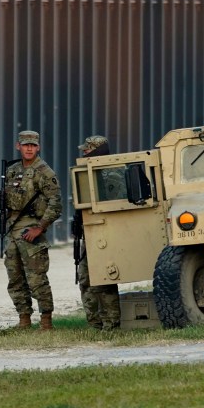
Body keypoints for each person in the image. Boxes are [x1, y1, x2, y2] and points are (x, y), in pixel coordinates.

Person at [0, 130, 62, 330]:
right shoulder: (13, 170)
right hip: (12, 230)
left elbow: (56, 204)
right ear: (19, 146)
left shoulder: (44, 172)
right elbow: (10, 196)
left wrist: (40, 228)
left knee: (37, 279)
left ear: (38, 147)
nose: (29, 148)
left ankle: (46, 322)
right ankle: (24, 320)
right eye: (25, 145)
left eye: (33, 145)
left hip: (31, 231)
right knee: (15, 279)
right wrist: (0, 196)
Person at [72, 135, 122, 331]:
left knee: (104, 280)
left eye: (88, 149)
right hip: (89, 233)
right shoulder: (87, 174)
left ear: (97, 150)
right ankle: (95, 324)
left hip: (105, 234)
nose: (84, 152)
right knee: (85, 278)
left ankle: (111, 324)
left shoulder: (114, 174)